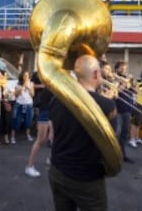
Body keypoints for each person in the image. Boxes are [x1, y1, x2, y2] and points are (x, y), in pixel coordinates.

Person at [48, 55, 117, 211]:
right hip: (88, 179)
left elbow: (52, 136)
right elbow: (112, 144)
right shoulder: (107, 105)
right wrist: (107, 101)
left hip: (57, 170)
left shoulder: (56, 100)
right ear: (95, 74)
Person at [114, 60, 134, 163]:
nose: (124, 70)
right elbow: (116, 91)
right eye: (121, 68)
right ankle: (114, 155)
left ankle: (122, 154)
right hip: (117, 110)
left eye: (125, 68)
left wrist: (131, 83)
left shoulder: (127, 79)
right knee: (117, 133)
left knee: (125, 134)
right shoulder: (113, 78)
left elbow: (133, 91)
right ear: (116, 69)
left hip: (127, 109)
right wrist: (125, 82)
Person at [10, 70, 34, 144]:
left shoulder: (31, 83)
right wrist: (23, 86)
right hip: (19, 103)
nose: (26, 77)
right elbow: (16, 95)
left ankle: (28, 134)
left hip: (28, 103)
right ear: (22, 76)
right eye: (25, 76)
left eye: (27, 76)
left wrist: (29, 88)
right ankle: (12, 136)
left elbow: (33, 94)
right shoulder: (17, 84)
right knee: (16, 120)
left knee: (28, 121)